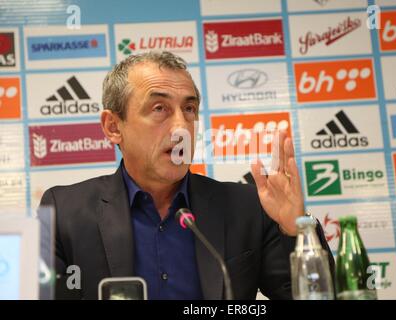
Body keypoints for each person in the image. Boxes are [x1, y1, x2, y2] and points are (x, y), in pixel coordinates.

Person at [39, 51, 334, 300]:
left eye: (189, 109)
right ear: (114, 127)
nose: (182, 126)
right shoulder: (64, 212)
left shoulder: (249, 206)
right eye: (159, 108)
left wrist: (297, 231)